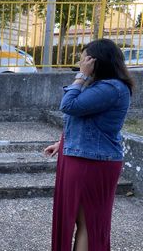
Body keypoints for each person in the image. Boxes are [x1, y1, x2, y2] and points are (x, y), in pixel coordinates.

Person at [44, 39, 134, 251]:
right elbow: (86, 121)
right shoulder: (99, 86)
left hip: (93, 161)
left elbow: (69, 106)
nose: (80, 61)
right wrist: (62, 142)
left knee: (88, 223)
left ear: (97, 61)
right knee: (78, 220)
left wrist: (81, 75)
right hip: (82, 156)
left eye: (85, 58)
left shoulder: (111, 87)